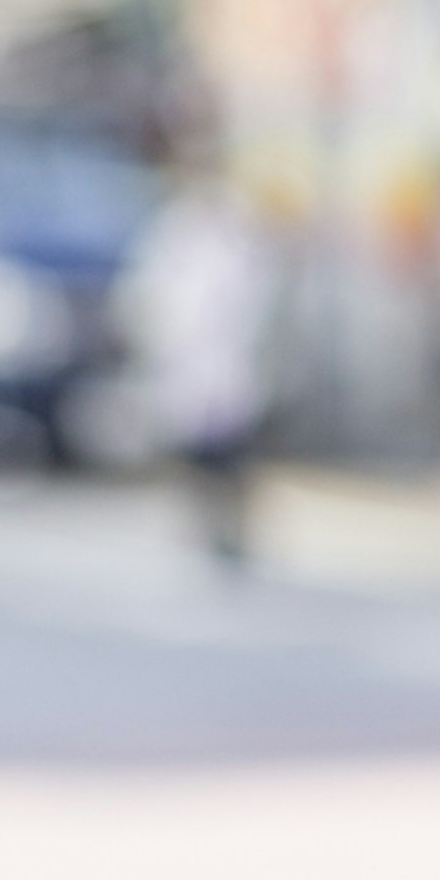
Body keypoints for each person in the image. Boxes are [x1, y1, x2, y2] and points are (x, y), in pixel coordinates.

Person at [115, 152, 276, 571]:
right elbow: (148, 289)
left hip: (226, 357)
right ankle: (201, 526)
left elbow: (254, 292)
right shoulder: (173, 230)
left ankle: (234, 531)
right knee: (190, 448)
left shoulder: (236, 231)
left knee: (231, 450)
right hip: (183, 358)